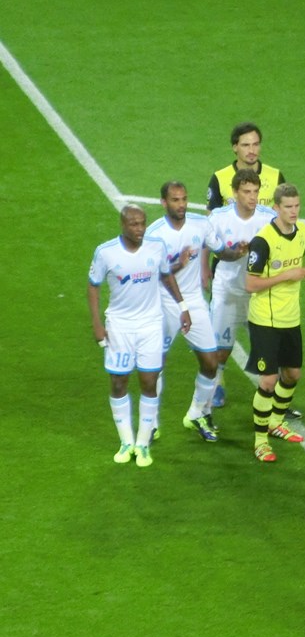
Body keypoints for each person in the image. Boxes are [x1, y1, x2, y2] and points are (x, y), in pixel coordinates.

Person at [88, 204, 191, 467]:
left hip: (150, 325)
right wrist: (97, 324)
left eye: (143, 223)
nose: (140, 229)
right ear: (123, 225)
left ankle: (143, 444)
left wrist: (182, 307)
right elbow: (93, 287)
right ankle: (126, 442)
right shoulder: (106, 252)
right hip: (120, 326)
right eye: (134, 224)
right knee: (118, 382)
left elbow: (166, 277)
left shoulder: (156, 247)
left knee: (149, 381)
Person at [147, 181, 242, 442]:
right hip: (164, 302)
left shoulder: (201, 224)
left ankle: (196, 414)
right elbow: (154, 274)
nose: (181, 205)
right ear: (164, 203)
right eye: (175, 200)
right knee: (155, 366)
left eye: (184, 199)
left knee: (211, 363)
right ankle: (150, 423)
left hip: (193, 302)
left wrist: (238, 252)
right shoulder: (155, 235)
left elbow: (221, 251)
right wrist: (179, 264)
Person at [245, 183, 305, 462]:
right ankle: (260, 441)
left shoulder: (303, 232)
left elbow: (303, 266)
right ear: (276, 208)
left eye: (296, 206)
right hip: (265, 319)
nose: (293, 211)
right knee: (269, 380)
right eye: (288, 207)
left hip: (290, 318)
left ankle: (275, 421)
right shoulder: (263, 241)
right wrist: (286, 275)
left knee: (293, 374)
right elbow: (250, 284)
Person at [206, 168, 277, 408]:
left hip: (257, 294)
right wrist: (205, 269)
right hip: (227, 290)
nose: (252, 197)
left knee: (267, 348)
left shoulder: (269, 218)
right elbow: (207, 243)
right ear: (235, 192)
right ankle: (216, 385)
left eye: (255, 191)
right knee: (220, 350)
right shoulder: (219, 217)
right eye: (247, 192)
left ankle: (274, 396)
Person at [206, 122, 286, 210]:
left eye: (255, 144)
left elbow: (285, 212)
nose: (251, 150)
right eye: (245, 145)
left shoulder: (276, 176)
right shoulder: (219, 178)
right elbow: (212, 216)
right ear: (235, 147)